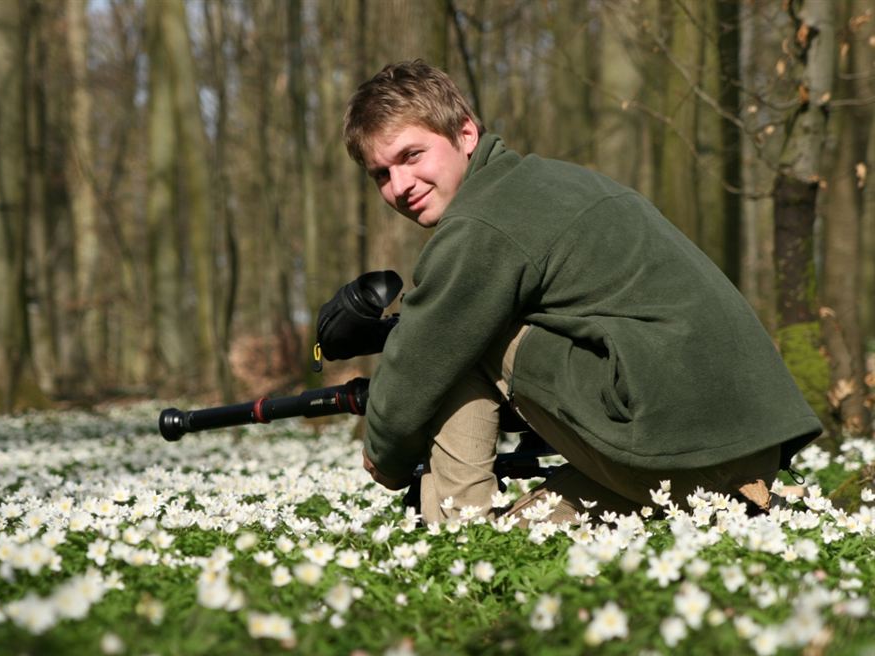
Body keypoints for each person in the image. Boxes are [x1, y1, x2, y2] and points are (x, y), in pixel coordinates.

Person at [344, 59, 822, 526]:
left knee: (462, 335)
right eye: (381, 174)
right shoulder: (554, 183)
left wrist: (384, 452)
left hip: (680, 454)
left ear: (465, 134)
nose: (400, 186)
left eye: (411, 156)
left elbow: (420, 358)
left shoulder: (483, 222)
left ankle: (460, 530)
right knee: (531, 531)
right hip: (744, 455)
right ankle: (487, 538)